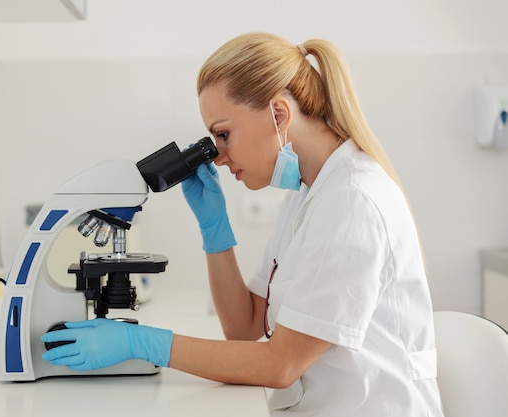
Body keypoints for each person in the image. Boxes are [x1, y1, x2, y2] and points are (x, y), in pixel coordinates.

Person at [41, 32, 444, 416]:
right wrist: (214, 230)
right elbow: (244, 326)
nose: (217, 155)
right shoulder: (310, 194)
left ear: (279, 114)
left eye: (224, 134)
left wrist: (142, 342)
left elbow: (280, 364)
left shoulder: (352, 201)